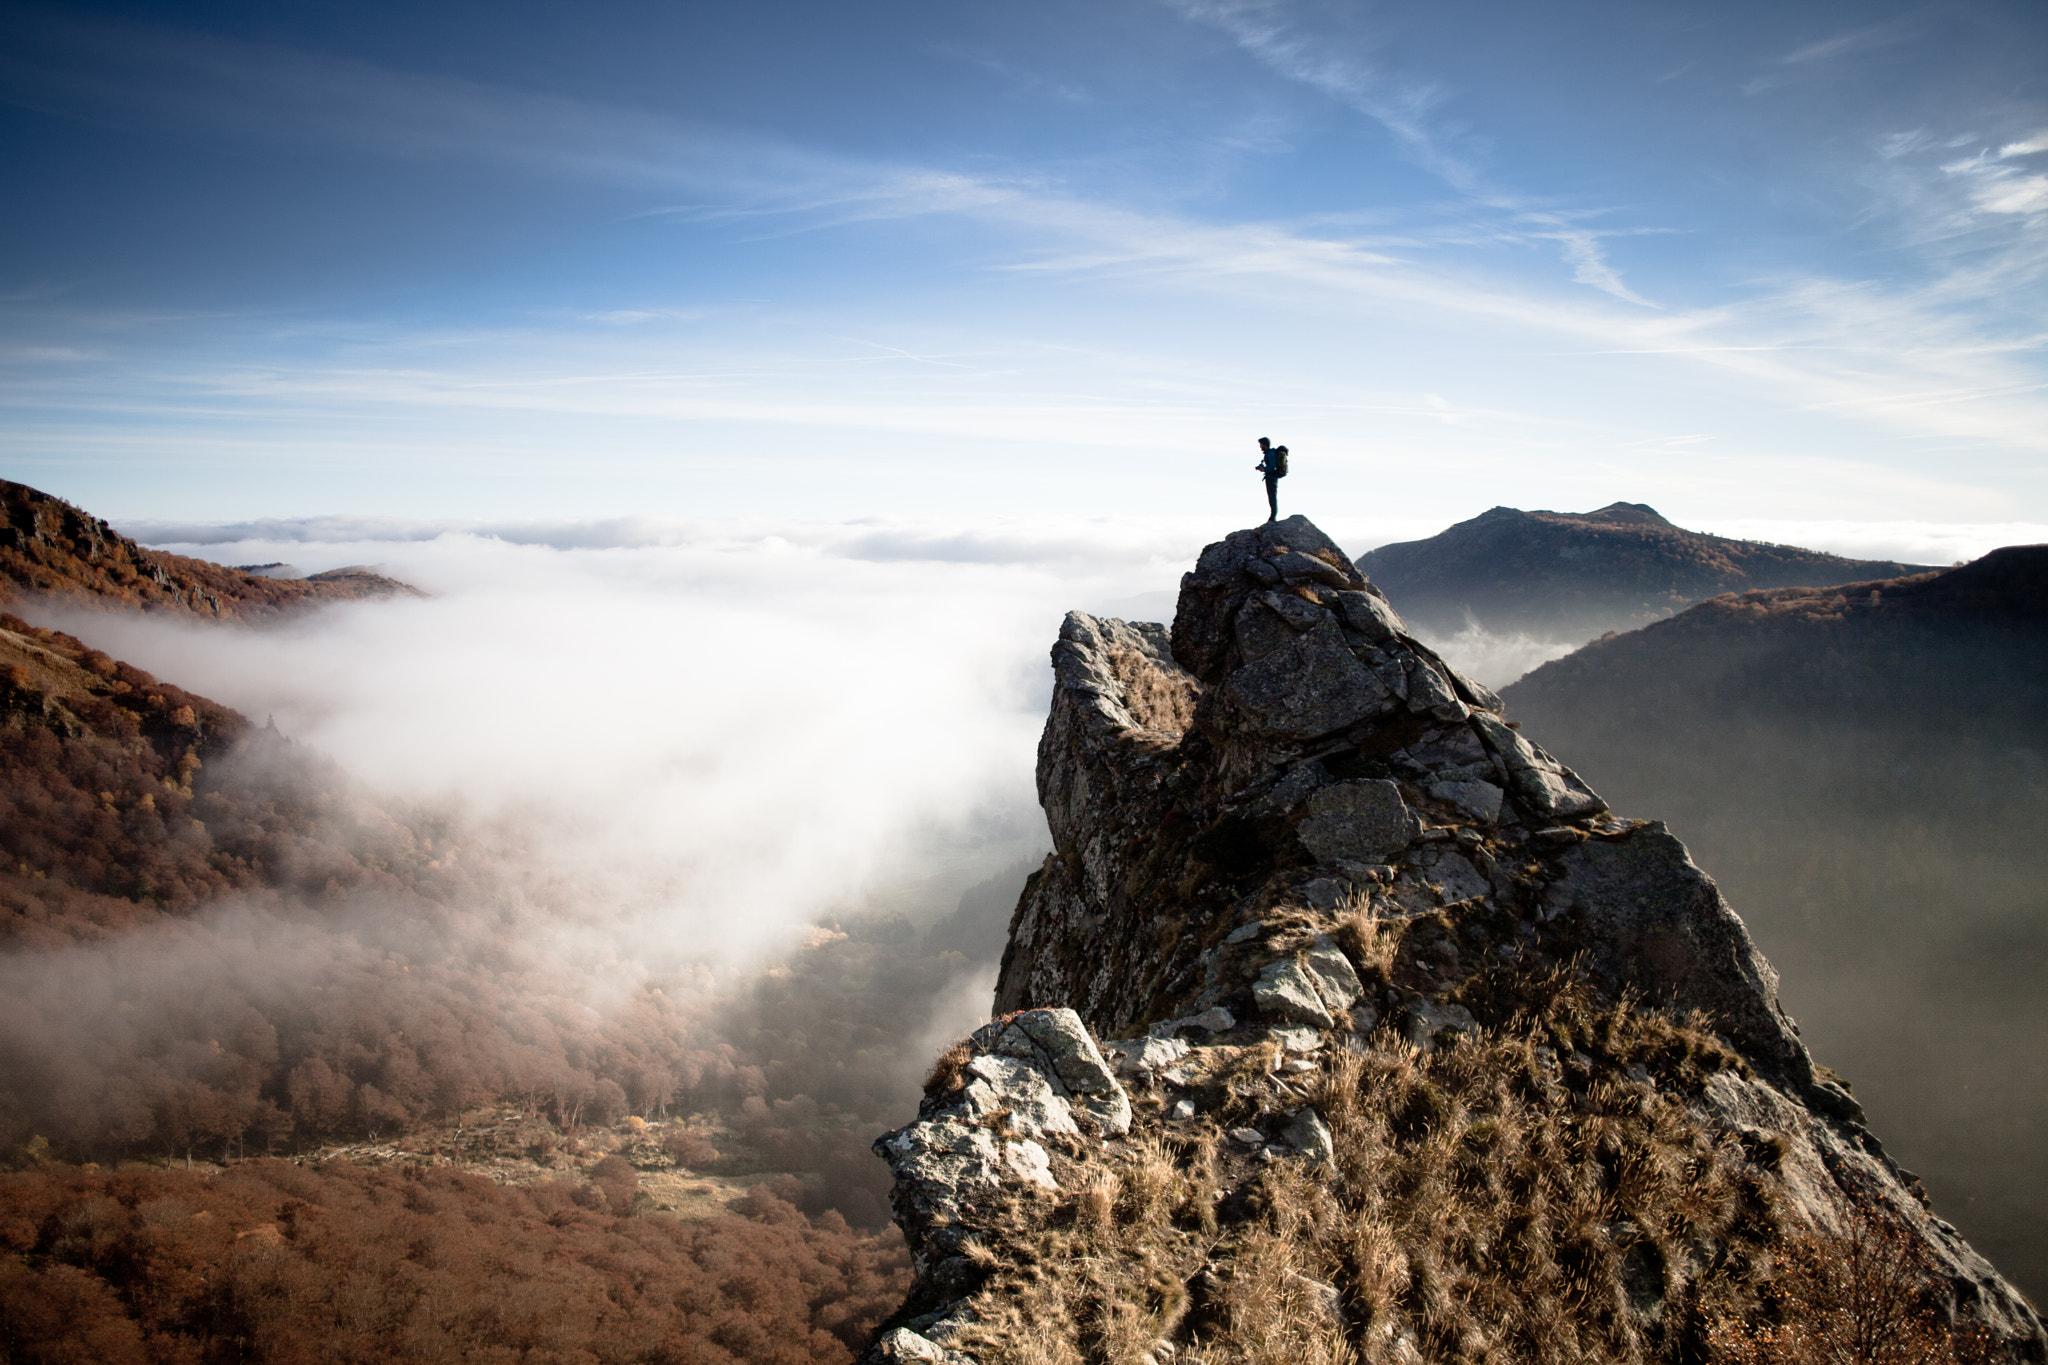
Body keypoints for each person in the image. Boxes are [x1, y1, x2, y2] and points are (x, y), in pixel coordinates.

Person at [1255, 437, 1289, 522]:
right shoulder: (1269, 453)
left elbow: (1273, 466)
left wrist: (1264, 469)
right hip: (1270, 478)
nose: (1260, 447)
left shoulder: (1270, 454)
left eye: (1261, 445)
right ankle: (1272, 517)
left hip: (1271, 478)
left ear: (1265, 444)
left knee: (1272, 498)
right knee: (1271, 497)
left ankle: (1273, 517)